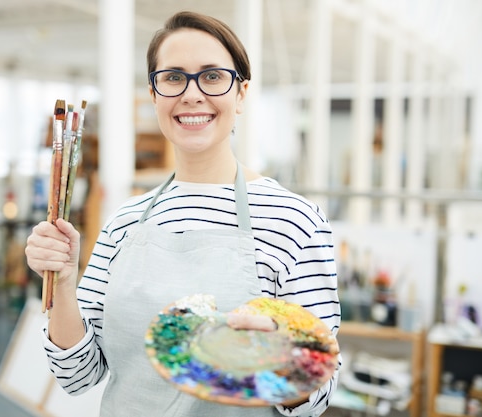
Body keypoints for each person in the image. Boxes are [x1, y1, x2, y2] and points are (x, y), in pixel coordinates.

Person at [25, 10, 341, 417]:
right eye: (173, 77)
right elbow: (79, 376)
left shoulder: (296, 221)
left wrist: (282, 363)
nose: (191, 94)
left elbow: (316, 400)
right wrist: (64, 284)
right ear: (155, 94)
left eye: (212, 76)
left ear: (241, 94)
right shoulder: (124, 222)